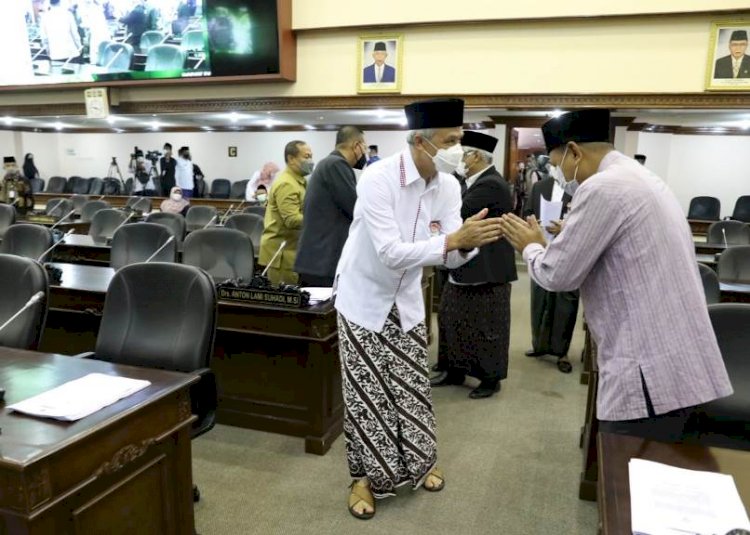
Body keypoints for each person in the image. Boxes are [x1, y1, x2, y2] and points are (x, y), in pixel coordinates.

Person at [497, 109, 733, 442]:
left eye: (557, 162)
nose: (559, 173)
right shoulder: (640, 176)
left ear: (575, 151)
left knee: (629, 474)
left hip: (647, 365)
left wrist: (531, 247)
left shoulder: (602, 187)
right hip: (677, 358)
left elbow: (557, 275)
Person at [334, 98, 504, 519]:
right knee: (366, 395)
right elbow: (392, 253)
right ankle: (363, 479)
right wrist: (453, 241)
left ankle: (421, 460)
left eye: (460, 141)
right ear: (419, 141)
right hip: (363, 298)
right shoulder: (378, 178)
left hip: (407, 300)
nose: (458, 151)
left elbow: (447, 253)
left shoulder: (449, 186)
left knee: (412, 389)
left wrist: (469, 245)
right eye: (450, 141)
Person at [432, 131, 517, 399]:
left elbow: (455, 214)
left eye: (464, 154)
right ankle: (454, 369)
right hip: (467, 264)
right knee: (453, 318)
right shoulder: (474, 181)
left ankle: (490, 379)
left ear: (477, 156)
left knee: (486, 327)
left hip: (487, 268)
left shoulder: (490, 184)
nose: (461, 159)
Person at [521, 157, 578, 373]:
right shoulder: (539, 186)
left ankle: (561, 351)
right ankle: (539, 344)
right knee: (539, 299)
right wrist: (532, 223)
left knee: (565, 301)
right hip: (541, 250)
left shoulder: (579, 188)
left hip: (568, 252)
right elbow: (527, 211)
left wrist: (564, 227)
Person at [294, 126, 367, 287]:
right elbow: (356, 208)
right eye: (364, 147)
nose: (364, 153)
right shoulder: (336, 165)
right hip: (322, 262)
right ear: (357, 146)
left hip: (318, 260)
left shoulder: (329, 163)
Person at [258, 141, 312, 285]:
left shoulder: (298, 181)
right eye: (306, 157)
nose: (310, 161)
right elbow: (292, 220)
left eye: (311, 157)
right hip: (281, 254)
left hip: (290, 249)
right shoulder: (287, 184)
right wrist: (317, 218)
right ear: (291, 159)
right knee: (285, 301)